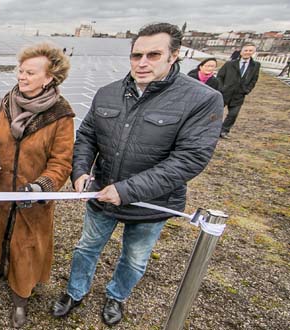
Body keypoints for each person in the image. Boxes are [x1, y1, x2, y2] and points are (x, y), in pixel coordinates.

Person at [51, 23, 222, 326]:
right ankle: (75, 292)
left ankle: (116, 296)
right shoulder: (108, 93)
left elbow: (189, 159)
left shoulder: (202, 99)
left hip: (151, 204)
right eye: (136, 55)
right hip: (101, 195)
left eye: (153, 54)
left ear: (174, 56)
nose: (142, 62)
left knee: (134, 258)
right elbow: (87, 136)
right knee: (86, 247)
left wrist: (127, 190)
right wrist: (80, 171)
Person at [0, 44, 75, 328]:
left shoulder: (61, 115)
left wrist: (40, 187)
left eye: (30, 72)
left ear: (49, 78)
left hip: (33, 197)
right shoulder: (0, 105)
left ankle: (21, 298)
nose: (22, 76)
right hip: (1, 188)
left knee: (26, 245)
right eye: (21, 70)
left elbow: (61, 162)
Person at [217, 42, 260, 139]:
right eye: (246, 50)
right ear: (241, 52)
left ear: (253, 52)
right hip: (225, 93)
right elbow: (220, 76)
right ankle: (209, 129)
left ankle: (224, 130)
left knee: (233, 114)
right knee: (216, 111)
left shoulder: (255, 65)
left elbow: (254, 79)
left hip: (239, 95)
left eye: (250, 51)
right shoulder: (230, 64)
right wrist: (221, 88)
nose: (248, 52)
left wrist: (247, 90)